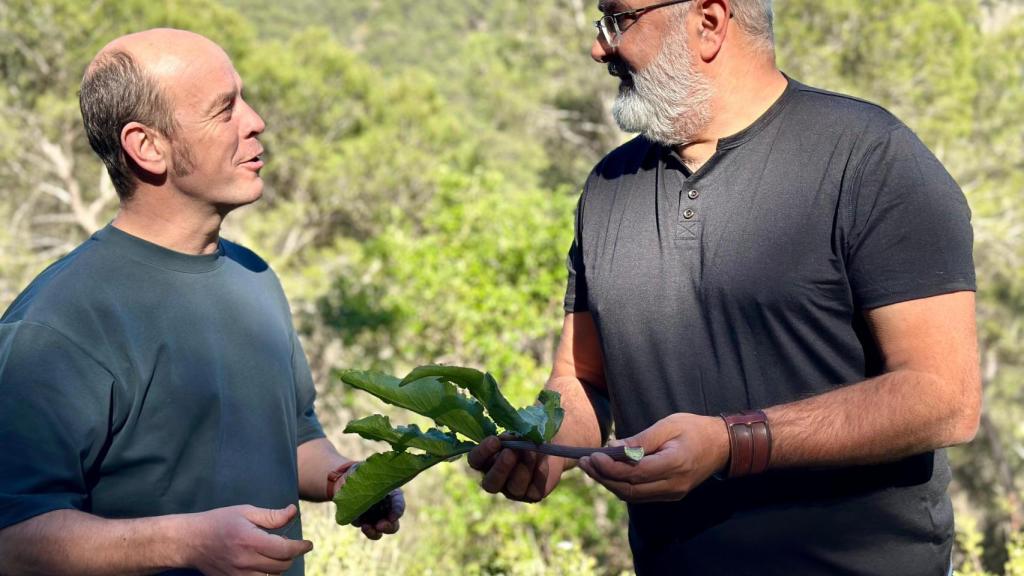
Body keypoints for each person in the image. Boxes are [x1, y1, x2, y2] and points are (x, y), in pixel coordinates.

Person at [468, 1, 980, 574]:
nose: (600, 48)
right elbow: (582, 377)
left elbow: (945, 398)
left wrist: (734, 443)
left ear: (709, 22)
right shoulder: (609, 186)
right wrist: (546, 447)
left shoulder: (870, 157)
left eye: (618, 20)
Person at [0, 28, 402, 576]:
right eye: (224, 109)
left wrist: (347, 479)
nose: (255, 120)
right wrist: (186, 544)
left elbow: (295, 433)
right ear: (147, 147)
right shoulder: (57, 322)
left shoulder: (254, 275)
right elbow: (13, 537)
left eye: (245, 98)